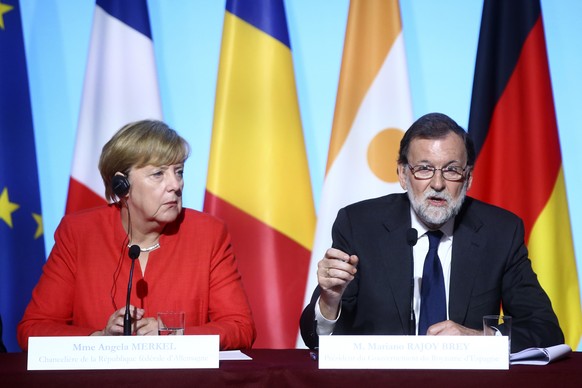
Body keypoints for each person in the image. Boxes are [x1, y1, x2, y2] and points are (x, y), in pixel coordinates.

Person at [300, 112, 563, 353]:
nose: (437, 184)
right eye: (424, 168)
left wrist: (480, 338)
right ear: (403, 174)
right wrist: (329, 301)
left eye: (451, 170)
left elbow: (545, 329)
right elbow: (315, 339)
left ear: (468, 178)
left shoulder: (501, 232)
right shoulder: (359, 225)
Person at [18, 120, 256, 350]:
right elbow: (33, 330)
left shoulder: (208, 234)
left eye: (179, 172)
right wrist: (99, 339)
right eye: (158, 174)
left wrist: (171, 335)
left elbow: (240, 328)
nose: (176, 185)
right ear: (122, 186)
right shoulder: (79, 234)